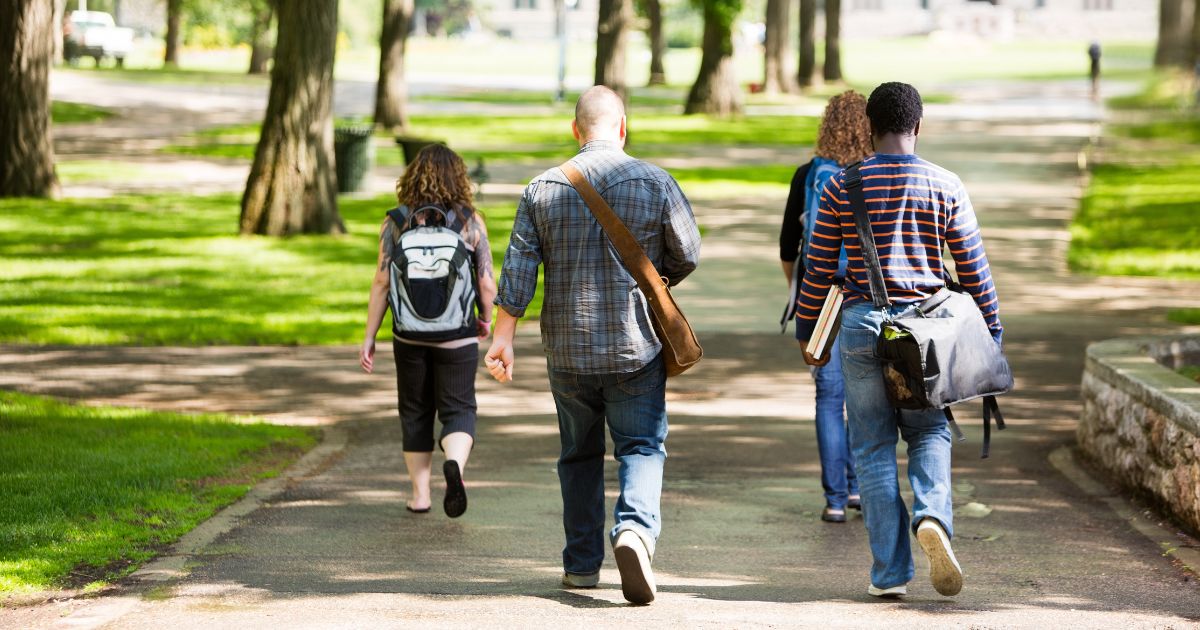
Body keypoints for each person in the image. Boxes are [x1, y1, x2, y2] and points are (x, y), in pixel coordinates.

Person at [484, 85, 701, 605]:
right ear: (623, 126)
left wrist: (503, 339)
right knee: (642, 446)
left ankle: (581, 566)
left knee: (578, 456)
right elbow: (687, 252)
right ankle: (634, 532)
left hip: (568, 349)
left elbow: (518, 272)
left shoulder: (541, 189)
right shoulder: (656, 182)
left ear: (576, 130)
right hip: (636, 344)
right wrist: (654, 278)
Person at [795, 82, 1003, 598]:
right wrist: (991, 332)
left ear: (869, 127)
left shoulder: (842, 186)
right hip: (926, 333)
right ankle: (932, 516)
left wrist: (807, 333)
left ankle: (889, 574)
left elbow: (817, 269)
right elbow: (975, 272)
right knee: (928, 432)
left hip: (863, 325)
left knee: (870, 447)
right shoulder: (946, 184)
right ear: (919, 125)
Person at [359, 144, 497, 519]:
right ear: (459, 177)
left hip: (409, 335)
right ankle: (455, 464)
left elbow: (381, 282)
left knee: (415, 410)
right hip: (458, 333)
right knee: (459, 408)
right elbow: (486, 283)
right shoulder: (470, 221)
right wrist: (486, 320)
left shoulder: (396, 221)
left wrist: (370, 336)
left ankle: (420, 495)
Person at [779, 91, 873, 524]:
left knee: (828, 396)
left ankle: (835, 499)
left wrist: (799, 293)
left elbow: (787, 245)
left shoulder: (807, 175)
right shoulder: (877, 173)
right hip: (867, 296)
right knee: (866, 397)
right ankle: (858, 488)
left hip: (822, 297)